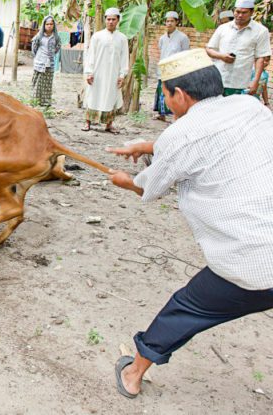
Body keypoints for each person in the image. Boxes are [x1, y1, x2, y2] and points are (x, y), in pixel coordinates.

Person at [106, 48, 273, 399]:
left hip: (254, 260)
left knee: (185, 309)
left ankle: (133, 374)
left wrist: (125, 181)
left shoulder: (180, 134)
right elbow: (210, 139)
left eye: (167, 95)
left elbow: (148, 187)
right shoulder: (250, 106)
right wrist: (150, 145)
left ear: (179, 95)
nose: (167, 102)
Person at [206, 0, 272, 96]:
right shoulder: (223, 28)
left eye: (244, 12)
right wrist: (222, 56)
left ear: (252, 12)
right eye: (237, 12)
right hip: (217, 79)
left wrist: (255, 81)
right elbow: (209, 49)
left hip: (240, 83)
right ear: (234, 11)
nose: (240, 15)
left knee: (235, 106)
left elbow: (260, 57)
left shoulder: (261, 31)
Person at [82, 7, 128, 133]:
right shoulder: (97, 36)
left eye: (113, 19)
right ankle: (87, 122)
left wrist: (122, 75)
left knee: (111, 97)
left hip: (113, 74)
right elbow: (91, 55)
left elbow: (124, 58)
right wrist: (89, 72)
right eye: (108, 19)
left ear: (118, 20)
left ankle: (109, 124)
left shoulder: (122, 38)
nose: (111, 22)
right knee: (93, 96)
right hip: (97, 73)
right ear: (105, 20)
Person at [153, 11, 190, 120]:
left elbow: (185, 54)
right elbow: (162, 51)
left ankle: (176, 114)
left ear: (176, 22)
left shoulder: (182, 38)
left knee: (175, 92)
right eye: (167, 21)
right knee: (162, 90)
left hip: (176, 70)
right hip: (163, 68)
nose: (169, 23)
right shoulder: (162, 38)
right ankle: (162, 114)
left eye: (172, 21)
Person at [30, 15, 62, 105]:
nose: (49, 26)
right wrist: (38, 57)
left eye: (51, 24)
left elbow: (57, 47)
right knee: (38, 83)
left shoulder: (56, 37)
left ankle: (46, 102)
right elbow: (34, 48)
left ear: (54, 25)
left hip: (50, 64)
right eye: (47, 24)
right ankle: (36, 101)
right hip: (39, 63)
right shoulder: (39, 36)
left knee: (47, 83)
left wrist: (51, 55)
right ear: (44, 25)